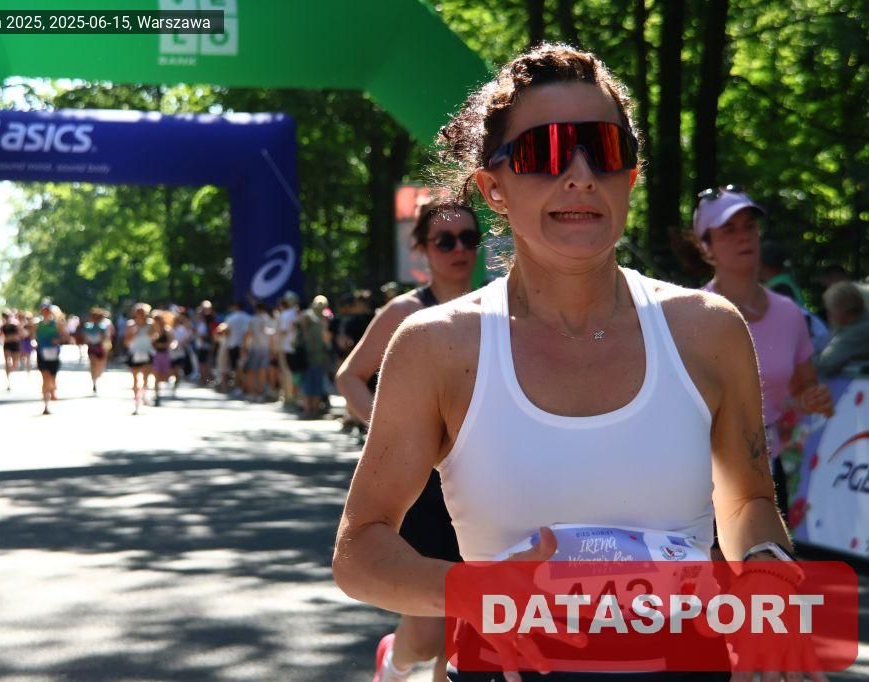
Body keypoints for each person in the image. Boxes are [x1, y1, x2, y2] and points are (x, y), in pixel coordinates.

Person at [333, 43, 822, 681]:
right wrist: (472, 594)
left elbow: (746, 501)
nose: (581, 174)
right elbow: (360, 548)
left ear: (630, 177)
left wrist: (766, 575)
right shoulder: (437, 346)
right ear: (493, 187)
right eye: (545, 152)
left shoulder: (709, 330)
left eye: (605, 149)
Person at [336, 197, 479, 682]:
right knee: (427, 629)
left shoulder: (497, 308)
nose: (458, 250)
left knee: (466, 626)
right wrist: (394, 433)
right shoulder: (406, 311)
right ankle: (394, 662)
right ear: (422, 249)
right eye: (445, 241)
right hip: (422, 488)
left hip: (480, 484)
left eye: (468, 238)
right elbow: (350, 376)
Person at [691, 186, 834, 520]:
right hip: (700, 479)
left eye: (749, 226)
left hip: (768, 474)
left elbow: (804, 389)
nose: (744, 236)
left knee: (769, 557)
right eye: (729, 229)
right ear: (706, 246)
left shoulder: (790, 313)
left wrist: (815, 398)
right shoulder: (689, 314)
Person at [816, 281, 869, 377]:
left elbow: (823, 366)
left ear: (841, 313)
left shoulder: (854, 333)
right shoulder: (862, 321)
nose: (829, 315)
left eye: (830, 310)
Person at [297, 295, 331, 420]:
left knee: (316, 384)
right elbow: (302, 326)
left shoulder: (324, 319)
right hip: (307, 356)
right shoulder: (308, 316)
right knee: (308, 384)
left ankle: (314, 410)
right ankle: (308, 410)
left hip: (319, 357)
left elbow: (326, 339)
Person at [32, 301, 68, 415]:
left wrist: (58, 340)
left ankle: (52, 388)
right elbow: (33, 337)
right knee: (45, 378)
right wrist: (34, 343)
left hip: (54, 353)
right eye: (43, 310)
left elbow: (64, 337)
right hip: (41, 353)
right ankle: (46, 405)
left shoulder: (57, 324)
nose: (45, 312)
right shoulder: (37, 323)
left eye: (47, 310)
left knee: (51, 379)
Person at [125, 303, 155, 415]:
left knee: (146, 378)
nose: (140, 315)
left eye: (142, 312)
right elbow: (126, 342)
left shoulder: (151, 324)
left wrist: (151, 334)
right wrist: (133, 334)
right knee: (135, 379)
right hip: (134, 353)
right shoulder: (130, 325)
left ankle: (143, 395)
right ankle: (136, 401)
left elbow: (155, 337)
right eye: (138, 312)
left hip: (147, 353)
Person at [83, 307, 113, 394]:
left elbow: (106, 339)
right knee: (93, 364)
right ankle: (94, 381)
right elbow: (85, 338)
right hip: (92, 348)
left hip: (100, 348)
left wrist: (107, 349)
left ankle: (96, 377)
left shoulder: (103, 327)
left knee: (99, 365)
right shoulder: (88, 327)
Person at [0, 311, 21, 390]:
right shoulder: (3, 326)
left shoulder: (15, 324)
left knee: (15, 363)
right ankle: (8, 381)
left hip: (15, 344)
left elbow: (20, 333)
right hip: (7, 345)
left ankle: (11, 373)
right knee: (7, 362)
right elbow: (0, 335)